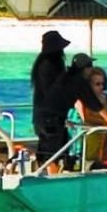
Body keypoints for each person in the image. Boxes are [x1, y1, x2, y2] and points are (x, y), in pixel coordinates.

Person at [28, 30, 73, 161]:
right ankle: (51, 175)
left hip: (44, 116)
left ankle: (50, 174)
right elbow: (55, 91)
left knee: (50, 151)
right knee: (53, 154)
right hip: (50, 118)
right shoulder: (51, 65)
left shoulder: (43, 64)